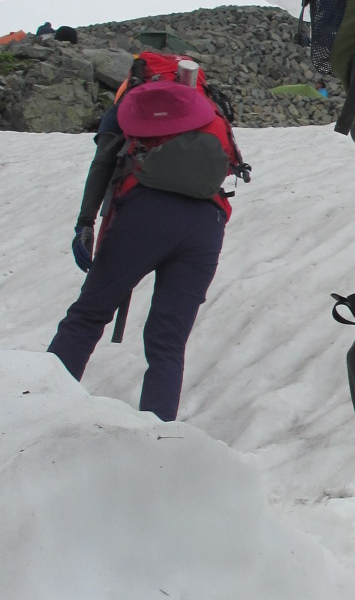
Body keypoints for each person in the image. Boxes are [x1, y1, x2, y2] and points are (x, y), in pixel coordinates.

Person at [47, 59, 244, 422]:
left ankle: (36, 409)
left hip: (145, 212)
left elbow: (104, 161)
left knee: (88, 315)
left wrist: (85, 222)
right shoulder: (211, 107)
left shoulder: (133, 101)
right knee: (168, 342)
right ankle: (157, 441)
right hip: (206, 223)